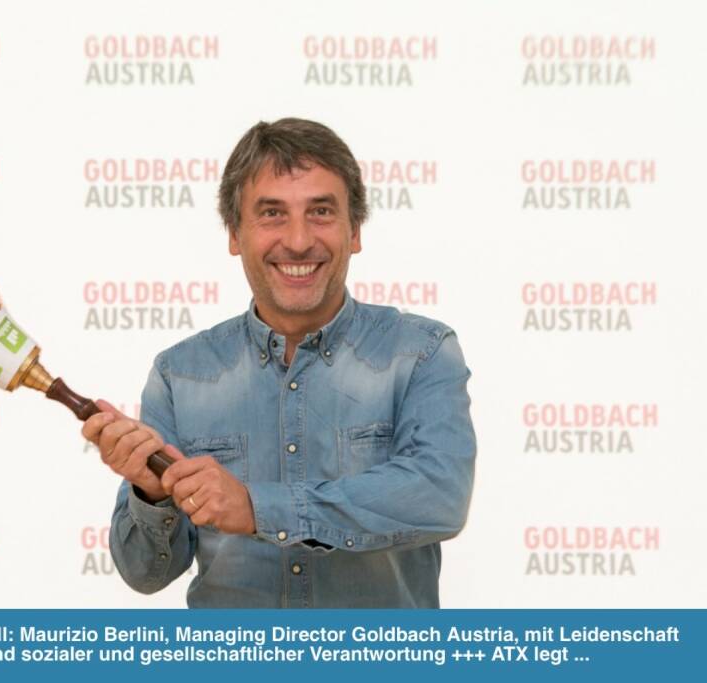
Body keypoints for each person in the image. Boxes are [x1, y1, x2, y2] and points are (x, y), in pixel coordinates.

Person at [82, 118, 476, 608]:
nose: (298, 240)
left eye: (321, 212)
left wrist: (257, 508)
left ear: (355, 230)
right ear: (234, 234)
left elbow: (439, 495)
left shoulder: (422, 353)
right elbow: (145, 575)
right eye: (272, 213)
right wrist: (151, 494)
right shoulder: (178, 375)